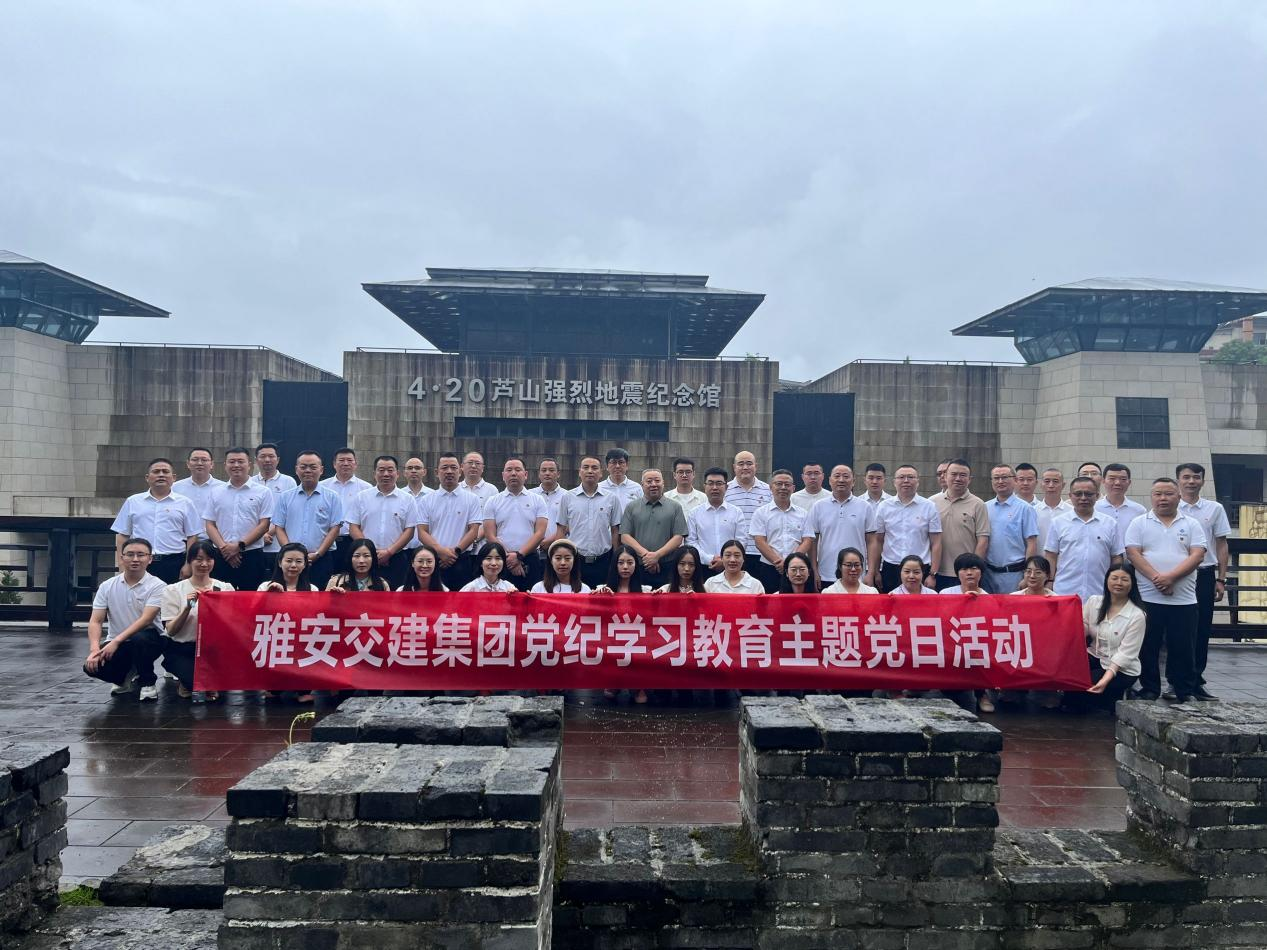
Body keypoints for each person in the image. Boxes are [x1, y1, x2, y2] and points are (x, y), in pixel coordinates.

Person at [1125, 477, 1208, 702]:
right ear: (1151, 497)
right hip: (1148, 596)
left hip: (1184, 599)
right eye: (1158, 494)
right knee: (1147, 646)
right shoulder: (1139, 523)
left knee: (1183, 646)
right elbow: (1133, 553)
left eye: (1169, 494)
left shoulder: (1191, 524)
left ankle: (1184, 690)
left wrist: (1171, 578)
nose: (1163, 498)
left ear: (1179, 497)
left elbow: (1197, 555)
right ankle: (1150, 688)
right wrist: (1158, 579)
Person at [83, 537, 167, 701]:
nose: (135, 559)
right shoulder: (107, 586)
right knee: (92, 667)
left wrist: (116, 642)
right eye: (130, 554)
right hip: (119, 642)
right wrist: (94, 650)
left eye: (141, 555)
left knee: (139, 639)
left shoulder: (158, 586)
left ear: (150, 559)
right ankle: (125, 676)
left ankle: (148, 682)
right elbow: (96, 621)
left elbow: (146, 620)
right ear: (121, 558)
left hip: (150, 639)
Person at [1176, 462, 1231, 696]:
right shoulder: (1170, 506)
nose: (1191, 481)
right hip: (1176, 575)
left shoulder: (1214, 508)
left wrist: (1221, 578)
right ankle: (1176, 680)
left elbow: (1221, 543)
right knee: (1178, 627)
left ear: (1203, 481)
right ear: (1178, 480)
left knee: (1201, 627)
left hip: (1205, 574)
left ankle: (1196, 679)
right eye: (1186, 477)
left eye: (1196, 477)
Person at [159, 540, 231, 701]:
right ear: (190, 561)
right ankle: (187, 680)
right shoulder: (173, 590)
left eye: (209, 559)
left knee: (214, 685)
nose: (204, 564)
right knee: (194, 682)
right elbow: (171, 630)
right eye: (198, 559)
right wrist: (187, 607)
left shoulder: (225, 588)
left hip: (213, 649)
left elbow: (232, 622)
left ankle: (208, 681)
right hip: (183, 648)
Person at [111, 457, 200, 583]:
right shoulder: (133, 501)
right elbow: (122, 535)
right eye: (156, 472)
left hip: (174, 563)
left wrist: (188, 564)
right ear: (147, 477)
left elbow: (192, 536)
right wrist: (121, 564)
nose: (161, 475)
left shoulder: (185, 503)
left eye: (165, 471)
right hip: (141, 562)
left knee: (172, 596)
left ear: (173, 477)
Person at [271, 450, 342, 591]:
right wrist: (291, 553)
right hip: (290, 562)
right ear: (296, 469)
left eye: (313, 467)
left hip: (321, 559)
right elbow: (279, 527)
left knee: (319, 598)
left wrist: (318, 554)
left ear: (321, 470)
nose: (308, 470)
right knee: (286, 596)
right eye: (303, 467)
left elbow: (335, 528)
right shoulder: (285, 497)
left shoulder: (332, 497)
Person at [205, 447, 273, 592]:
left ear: (249, 465)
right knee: (221, 598)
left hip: (251, 555)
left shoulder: (263, 492)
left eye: (241, 461)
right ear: (225, 465)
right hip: (221, 555)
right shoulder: (216, 492)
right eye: (232, 462)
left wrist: (239, 546)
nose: (236, 465)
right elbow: (210, 524)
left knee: (252, 599)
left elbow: (264, 524)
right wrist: (224, 549)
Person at [1079, 565, 1147, 710]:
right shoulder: (1094, 601)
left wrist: (1106, 679)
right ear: (1106, 580)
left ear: (1132, 584)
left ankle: (1114, 695)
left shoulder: (1137, 615)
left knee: (1088, 684)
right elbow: (1083, 627)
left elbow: (1125, 654)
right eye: (1114, 578)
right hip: (1095, 656)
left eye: (1124, 579)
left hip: (1121, 668)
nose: (1119, 583)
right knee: (1073, 682)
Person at [799, 464, 876, 590]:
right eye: (837, 476)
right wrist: (814, 570)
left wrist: (870, 572)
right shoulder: (819, 506)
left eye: (846, 476)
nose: (841, 480)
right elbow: (813, 541)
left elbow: (872, 541)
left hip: (856, 573)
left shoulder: (865, 507)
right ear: (830, 480)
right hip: (826, 573)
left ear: (853, 481)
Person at [1045, 476, 1123, 601]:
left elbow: (1116, 557)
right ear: (1070, 496)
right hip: (1065, 591)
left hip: (1100, 591)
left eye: (1088, 494)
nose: (1083, 498)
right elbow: (1051, 555)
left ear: (1097, 496)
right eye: (1078, 494)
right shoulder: (1058, 523)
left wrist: (1115, 582)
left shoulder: (1110, 524)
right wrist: (1049, 581)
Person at [416, 452, 484, 592]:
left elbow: (473, 530)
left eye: (453, 468)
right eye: (444, 468)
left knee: (461, 601)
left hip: (462, 559)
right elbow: (422, 532)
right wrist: (440, 551)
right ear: (437, 472)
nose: (449, 471)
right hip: (434, 561)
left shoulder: (472, 499)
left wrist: (455, 552)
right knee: (434, 600)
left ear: (460, 471)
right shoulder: (427, 500)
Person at [347, 455, 417, 588]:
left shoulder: (408, 499)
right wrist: (370, 551)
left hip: (396, 558)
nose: (386, 474)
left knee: (396, 596)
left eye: (390, 470)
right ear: (374, 473)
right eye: (381, 470)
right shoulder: (361, 497)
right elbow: (353, 527)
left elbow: (409, 531)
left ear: (397, 473)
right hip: (366, 559)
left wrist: (389, 552)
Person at [870, 464, 941, 592]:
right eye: (901, 477)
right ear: (894, 482)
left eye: (911, 477)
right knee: (890, 604)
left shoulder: (929, 506)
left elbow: (936, 543)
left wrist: (932, 574)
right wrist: (875, 571)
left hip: (920, 568)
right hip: (891, 567)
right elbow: (878, 541)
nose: (906, 481)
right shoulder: (884, 506)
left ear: (918, 481)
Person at [553, 456, 622, 589]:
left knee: (603, 597)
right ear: (580, 472)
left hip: (604, 560)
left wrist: (615, 558)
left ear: (601, 473)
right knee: (576, 596)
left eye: (594, 468)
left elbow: (615, 530)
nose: (590, 471)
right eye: (586, 467)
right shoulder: (567, 497)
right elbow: (561, 529)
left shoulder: (612, 499)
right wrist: (558, 556)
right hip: (575, 560)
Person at [483, 456, 549, 591]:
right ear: (503, 475)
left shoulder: (538, 500)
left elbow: (540, 533)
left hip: (530, 559)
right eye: (509, 470)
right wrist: (509, 558)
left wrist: (519, 556)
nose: (513, 473)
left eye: (518, 470)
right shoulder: (493, 501)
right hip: (501, 560)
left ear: (525, 475)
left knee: (531, 598)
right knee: (502, 599)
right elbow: (489, 534)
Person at [1003, 556, 1060, 709]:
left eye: (1038, 572)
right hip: (1019, 647)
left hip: (1045, 649)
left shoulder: (1056, 600)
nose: (1032, 576)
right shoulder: (1013, 598)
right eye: (1028, 571)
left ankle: (1048, 691)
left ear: (1047, 575)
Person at [594, 546, 650, 703]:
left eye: (630, 563)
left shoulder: (645, 591)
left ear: (636, 565)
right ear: (615, 565)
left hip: (636, 640)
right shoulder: (603, 590)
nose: (625, 567)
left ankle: (637, 686)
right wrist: (598, 598)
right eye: (621, 563)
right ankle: (614, 682)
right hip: (612, 640)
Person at [939, 553, 993, 712]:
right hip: (950, 641)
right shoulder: (946, 593)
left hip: (976, 642)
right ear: (957, 573)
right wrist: (963, 601)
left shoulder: (987, 597)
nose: (969, 573)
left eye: (974, 568)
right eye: (964, 569)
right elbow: (941, 618)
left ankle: (982, 694)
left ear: (981, 572)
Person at [931, 459, 990, 591]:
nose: (958, 478)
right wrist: (931, 572)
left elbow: (983, 541)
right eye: (954, 474)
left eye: (963, 475)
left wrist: (974, 570)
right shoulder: (932, 503)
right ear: (945, 476)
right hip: (937, 572)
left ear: (970, 479)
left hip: (965, 573)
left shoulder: (978, 504)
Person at [620, 469, 687, 581]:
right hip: (638, 565)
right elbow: (625, 536)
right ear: (642, 485)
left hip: (667, 565)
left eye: (657, 480)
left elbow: (678, 538)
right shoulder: (631, 507)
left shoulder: (675, 507)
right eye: (649, 481)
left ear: (663, 483)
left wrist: (657, 555)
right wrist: (647, 556)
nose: (653, 484)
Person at [750, 469, 809, 593]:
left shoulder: (803, 513)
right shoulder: (760, 513)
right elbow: (759, 541)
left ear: (793, 488)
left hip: (797, 570)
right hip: (770, 568)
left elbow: (807, 540)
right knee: (771, 602)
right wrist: (778, 563)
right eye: (779, 484)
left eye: (787, 484)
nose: (783, 487)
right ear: (771, 487)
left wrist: (791, 562)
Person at [984, 464, 1039, 594]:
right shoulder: (985, 507)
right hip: (988, 574)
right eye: (996, 478)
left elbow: (1031, 543)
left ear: (1015, 480)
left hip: (1014, 574)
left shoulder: (1025, 508)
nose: (1000, 481)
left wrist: (1026, 575)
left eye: (1004, 477)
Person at [318, 447, 372, 573]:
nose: (346, 463)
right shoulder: (322, 486)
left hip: (353, 541)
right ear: (334, 464)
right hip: (326, 542)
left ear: (356, 464)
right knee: (327, 577)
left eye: (349, 460)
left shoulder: (366, 488)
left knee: (351, 577)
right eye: (341, 460)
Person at [250, 443, 298, 576]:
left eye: (271, 456)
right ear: (256, 460)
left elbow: (289, 513)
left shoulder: (289, 482)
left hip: (279, 545)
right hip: (254, 546)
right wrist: (259, 535)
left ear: (278, 459)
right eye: (263, 456)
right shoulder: (250, 482)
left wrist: (268, 533)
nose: (267, 460)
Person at [687, 467, 744, 577]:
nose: (714, 487)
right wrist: (710, 559)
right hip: (703, 567)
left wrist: (725, 560)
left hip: (731, 567)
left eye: (719, 483)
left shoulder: (736, 512)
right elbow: (691, 542)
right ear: (704, 486)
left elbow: (741, 541)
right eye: (710, 483)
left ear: (726, 487)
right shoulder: (694, 513)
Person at [726, 451, 773, 582]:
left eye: (749, 463)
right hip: (733, 554)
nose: (745, 467)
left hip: (762, 554)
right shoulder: (725, 490)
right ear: (734, 467)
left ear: (756, 466)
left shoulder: (768, 490)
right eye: (741, 464)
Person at [172, 447, 224, 540]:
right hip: (183, 541)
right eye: (195, 460)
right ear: (188, 464)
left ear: (212, 464)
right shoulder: (175, 488)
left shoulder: (223, 488)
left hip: (214, 541)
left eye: (204, 460)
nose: (199, 463)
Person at [1096, 463, 1147, 551]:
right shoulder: (1094, 508)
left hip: (1131, 558)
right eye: (1112, 479)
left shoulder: (1139, 510)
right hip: (1102, 557)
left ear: (1129, 482)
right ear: (1103, 481)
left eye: (1123, 479)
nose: (1117, 483)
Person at [530, 458, 568, 573]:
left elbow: (570, 524)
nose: (547, 473)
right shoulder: (529, 495)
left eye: (551, 470)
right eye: (544, 470)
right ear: (539, 474)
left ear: (558, 474)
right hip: (532, 551)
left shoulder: (568, 496)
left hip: (559, 551)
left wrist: (550, 540)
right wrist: (537, 542)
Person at [326, 537, 393, 592]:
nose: (361, 561)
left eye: (366, 556)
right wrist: (333, 597)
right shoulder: (336, 581)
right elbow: (324, 604)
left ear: (373, 558)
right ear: (350, 558)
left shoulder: (382, 585)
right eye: (357, 556)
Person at [1033, 468, 1073, 554]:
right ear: (1041, 484)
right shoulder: (1033, 511)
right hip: (1038, 560)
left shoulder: (1072, 511)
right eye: (1047, 481)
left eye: (1055, 481)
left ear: (1063, 485)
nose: (1051, 485)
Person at [401, 456, 435, 557]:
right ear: (404, 473)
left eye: (417, 468)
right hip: (402, 549)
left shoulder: (433, 495)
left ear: (424, 472)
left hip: (427, 549)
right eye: (410, 468)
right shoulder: (399, 496)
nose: (413, 471)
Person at [599, 448, 643, 514]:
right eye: (613, 462)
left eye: (621, 462)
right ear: (607, 466)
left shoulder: (636, 488)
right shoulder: (599, 488)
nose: (617, 466)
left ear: (627, 465)